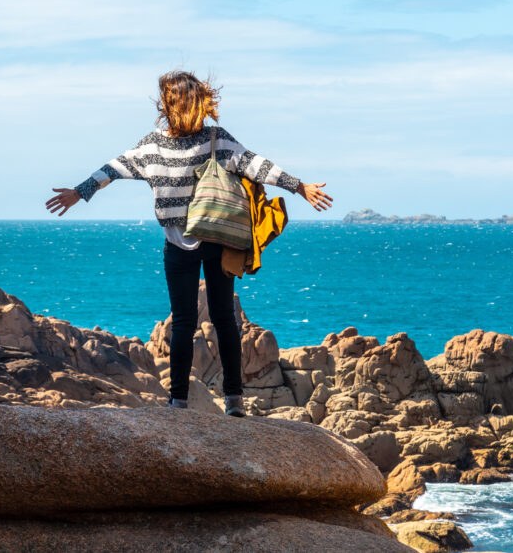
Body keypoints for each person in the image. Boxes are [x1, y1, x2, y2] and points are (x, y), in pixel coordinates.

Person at [45, 71, 333, 417]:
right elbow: (257, 166)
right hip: (217, 237)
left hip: (182, 244)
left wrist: (81, 191)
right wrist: (299, 187)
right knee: (223, 320)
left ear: (167, 104)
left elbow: (113, 169)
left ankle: (180, 402)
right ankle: (233, 401)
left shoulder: (153, 146)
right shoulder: (215, 139)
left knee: (185, 321)